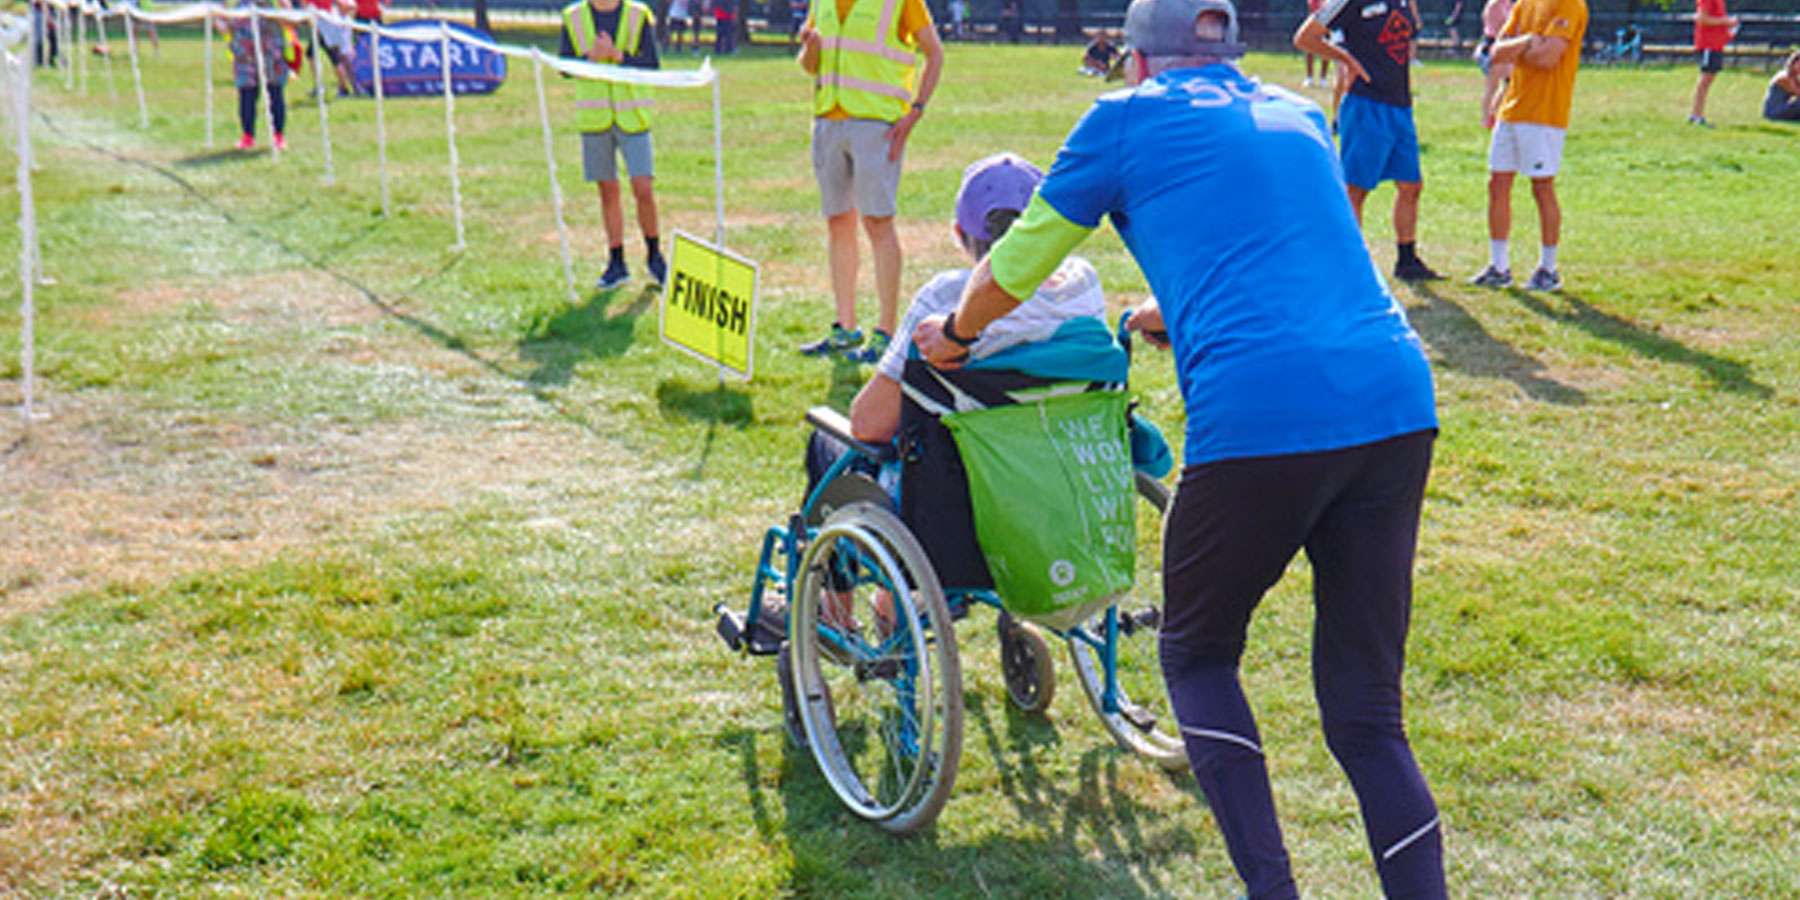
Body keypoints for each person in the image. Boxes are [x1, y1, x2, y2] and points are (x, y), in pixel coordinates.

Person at [917, 1, 1444, 896]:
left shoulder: (1121, 121)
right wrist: (1174, 312)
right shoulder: (1298, 114)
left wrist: (959, 334)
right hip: (1394, 400)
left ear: (1134, 61)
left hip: (1263, 413)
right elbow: (1304, 252)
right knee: (1367, 717)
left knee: (1196, 654)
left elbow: (1022, 257)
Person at [795, 0, 945, 363]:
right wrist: (810, 50)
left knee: (878, 222)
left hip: (877, 125)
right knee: (838, 223)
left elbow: (935, 54)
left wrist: (915, 112)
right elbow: (809, 65)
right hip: (828, 120)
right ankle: (845, 329)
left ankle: (886, 333)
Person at [1295, 0, 1445, 282]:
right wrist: (1345, 59)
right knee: (1356, 188)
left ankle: (1407, 259)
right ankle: (1348, 263)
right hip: (1366, 104)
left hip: (1399, 105)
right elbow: (1305, 37)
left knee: (1411, 185)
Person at [1468, 0, 1586, 292]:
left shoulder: (1569, 5)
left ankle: (1548, 268)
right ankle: (1499, 266)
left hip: (1545, 113)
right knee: (1497, 183)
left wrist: (1518, 48)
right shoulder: (1525, 4)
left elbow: (1549, 58)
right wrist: (1530, 42)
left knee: (1542, 187)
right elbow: (1496, 52)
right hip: (1511, 109)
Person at [560, 0, 668, 290]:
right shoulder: (573, 17)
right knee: (608, 191)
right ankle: (616, 261)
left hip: (633, 114)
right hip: (595, 118)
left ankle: (655, 255)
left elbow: (652, 63)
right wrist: (590, 59)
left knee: (643, 187)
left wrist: (616, 55)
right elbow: (564, 66)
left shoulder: (638, 14)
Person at [227, 0, 291, 151]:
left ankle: (278, 136)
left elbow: (288, 19)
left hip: (271, 49)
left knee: (275, 91)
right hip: (244, 50)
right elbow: (229, 24)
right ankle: (248, 136)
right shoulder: (240, 5)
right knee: (246, 92)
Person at [1688, 0, 1738, 127]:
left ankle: (1697, 113)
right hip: (1708, 43)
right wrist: (1725, 21)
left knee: (1709, 78)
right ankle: (1696, 115)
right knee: (1705, 79)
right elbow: (1701, 18)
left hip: (1717, 44)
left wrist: (1728, 29)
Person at [1475, 0, 1513, 127]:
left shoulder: (1507, 4)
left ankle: (1494, 114)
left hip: (1505, 45)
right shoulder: (1495, 4)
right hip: (1494, 46)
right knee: (1492, 86)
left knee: (1509, 83)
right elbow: (1498, 29)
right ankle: (1486, 119)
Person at [1301, 0, 1330, 87]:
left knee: (1326, 49)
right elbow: (1311, 6)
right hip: (1314, 20)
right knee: (1309, 49)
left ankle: (1323, 78)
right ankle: (1309, 77)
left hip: (1326, 21)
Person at [1765, 50, 1800, 122]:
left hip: (1781, 109)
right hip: (1773, 112)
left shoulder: (1793, 77)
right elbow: (1798, 92)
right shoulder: (1785, 77)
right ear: (1793, 63)